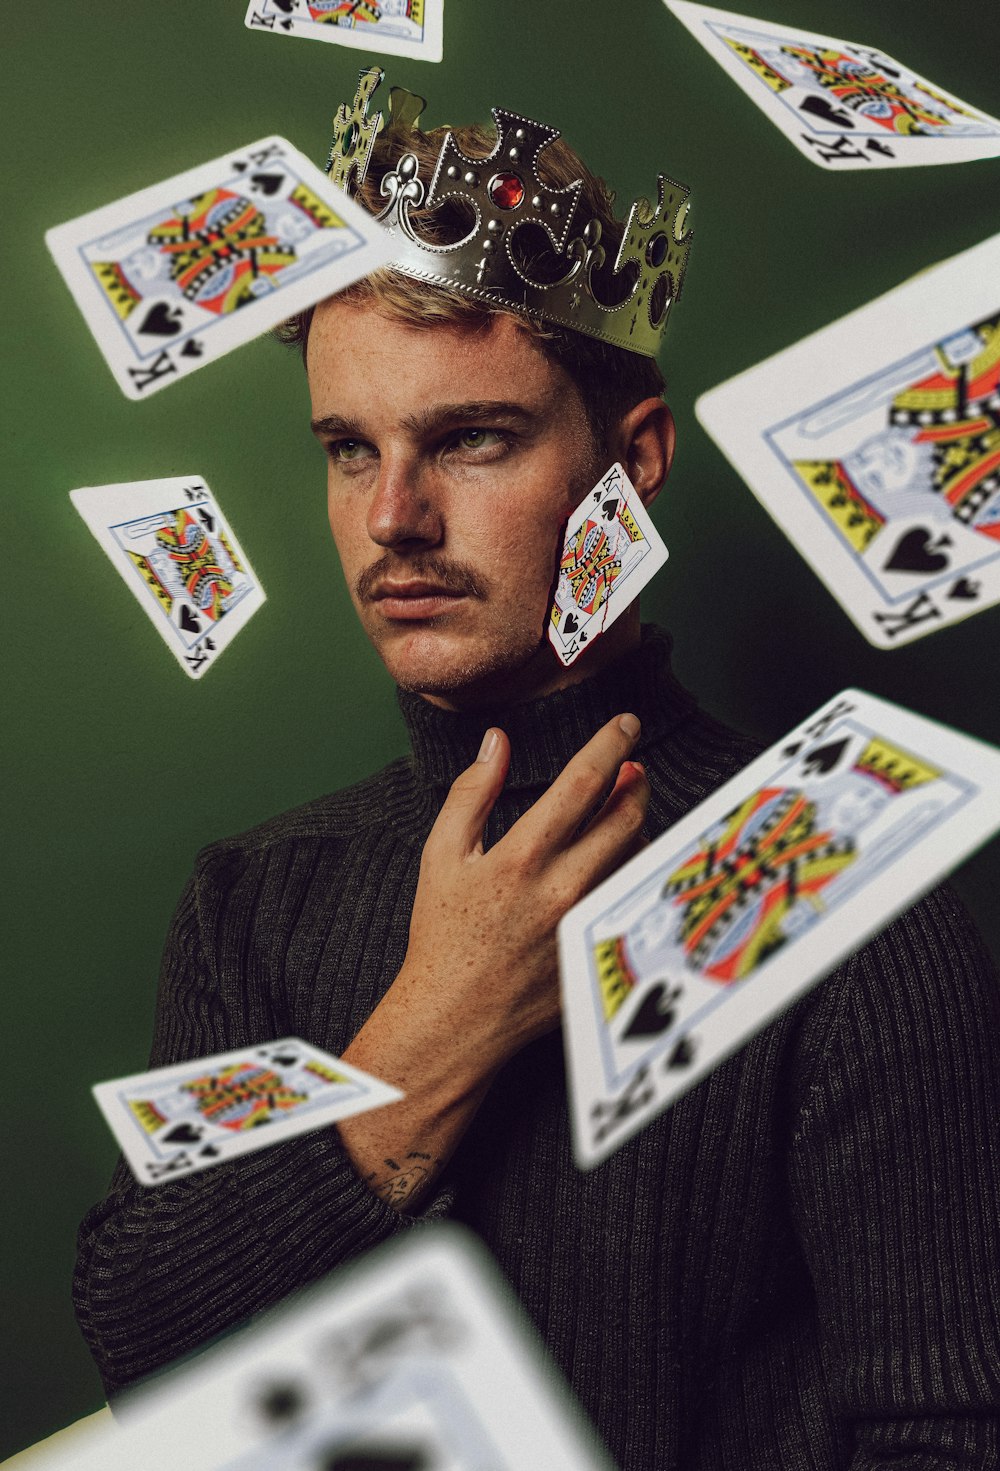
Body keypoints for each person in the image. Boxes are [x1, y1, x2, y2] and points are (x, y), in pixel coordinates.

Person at [74, 72, 1000, 1470]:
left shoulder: (853, 901)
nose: (393, 517)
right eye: (347, 449)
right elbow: (146, 1356)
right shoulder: (256, 903)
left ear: (632, 464)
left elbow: (949, 1436)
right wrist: (427, 1034)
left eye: (471, 439)